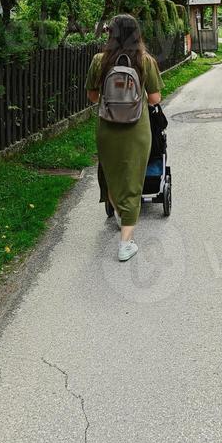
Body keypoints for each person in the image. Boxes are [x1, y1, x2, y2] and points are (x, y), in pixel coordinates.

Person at [86, 14, 163, 263]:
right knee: (132, 181)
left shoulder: (100, 61)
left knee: (111, 176)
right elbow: (155, 99)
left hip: (107, 129)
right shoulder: (144, 60)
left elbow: (91, 96)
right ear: (136, 34)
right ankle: (126, 243)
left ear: (112, 34)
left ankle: (121, 213)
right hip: (136, 131)